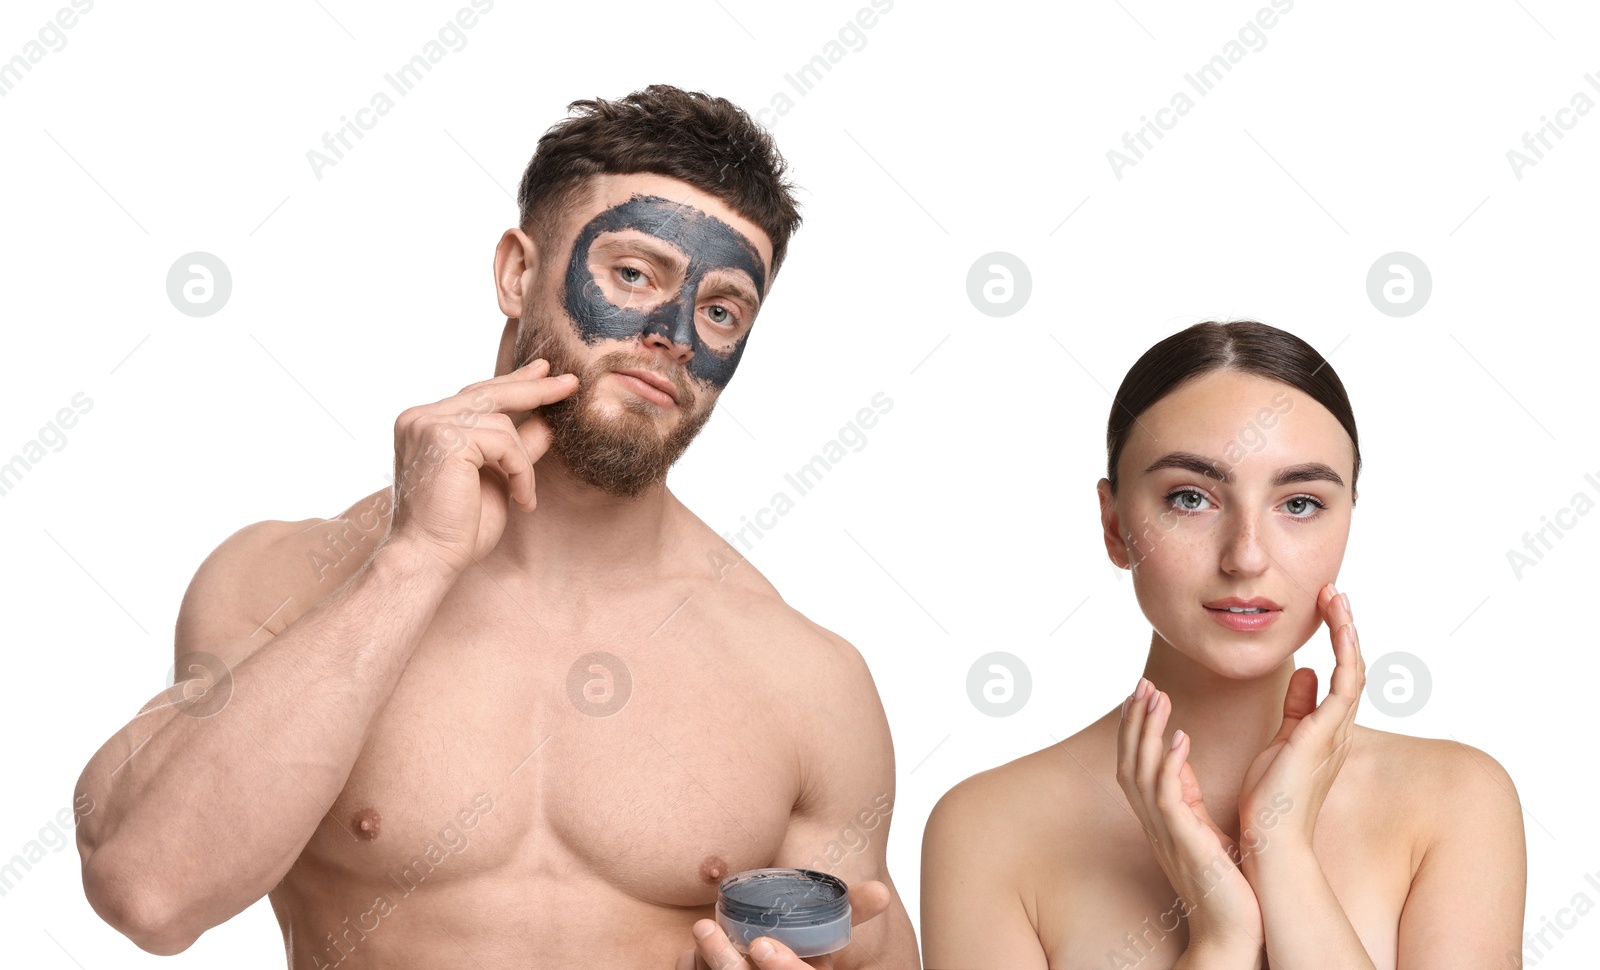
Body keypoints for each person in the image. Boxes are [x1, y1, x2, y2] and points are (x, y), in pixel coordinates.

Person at [73, 84, 919, 970]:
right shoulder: (278, 581)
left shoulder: (807, 678)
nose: (672, 335)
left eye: (719, 311)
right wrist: (413, 563)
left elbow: (865, 950)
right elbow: (150, 895)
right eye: (633, 275)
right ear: (518, 272)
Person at [920, 320, 1526, 968]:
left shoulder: (1456, 801)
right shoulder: (985, 829)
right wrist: (1220, 937)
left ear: (1350, 515)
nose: (1246, 556)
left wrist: (1282, 850)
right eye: (1190, 498)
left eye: (1299, 504)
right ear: (1115, 525)